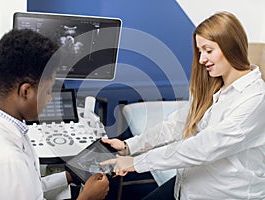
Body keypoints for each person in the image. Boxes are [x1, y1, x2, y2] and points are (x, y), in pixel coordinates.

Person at [101, 11, 265, 199]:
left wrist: (136, 162)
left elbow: (203, 147)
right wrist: (128, 146)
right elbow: (178, 124)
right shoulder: (215, 87)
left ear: (231, 47)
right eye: (200, 51)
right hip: (187, 185)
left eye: (208, 50)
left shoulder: (255, 99)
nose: (202, 59)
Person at [0, 29, 109, 200]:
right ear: (25, 91)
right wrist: (87, 198)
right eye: (48, 91)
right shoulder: (7, 162)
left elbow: (30, 187)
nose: (49, 99)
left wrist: (69, 176)